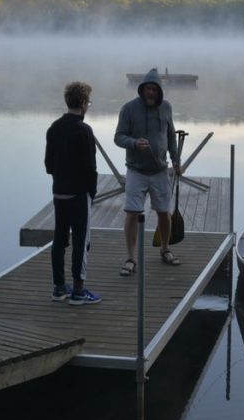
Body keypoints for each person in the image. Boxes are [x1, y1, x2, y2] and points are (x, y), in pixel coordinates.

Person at [114, 67, 182, 276]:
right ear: (142, 90)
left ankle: (165, 249)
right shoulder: (128, 109)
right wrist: (133, 143)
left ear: (160, 91)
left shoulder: (166, 108)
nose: (151, 92)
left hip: (160, 170)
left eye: (155, 89)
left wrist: (176, 160)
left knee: (164, 212)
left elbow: (171, 137)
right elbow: (118, 137)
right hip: (136, 170)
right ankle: (131, 258)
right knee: (132, 212)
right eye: (148, 89)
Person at [44, 81, 101, 305]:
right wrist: (92, 193)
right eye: (88, 102)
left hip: (59, 193)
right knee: (81, 240)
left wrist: (60, 179)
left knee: (59, 239)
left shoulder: (54, 128)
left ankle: (59, 287)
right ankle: (78, 291)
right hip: (79, 195)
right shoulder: (84, 130)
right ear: (84, 103)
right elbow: (90, 167)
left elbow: (48, 165)